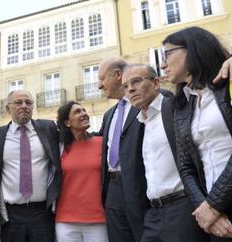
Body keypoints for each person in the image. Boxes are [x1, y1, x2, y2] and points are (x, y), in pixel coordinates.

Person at [121, 63, 209, 242]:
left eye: (136, 81)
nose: (130, 89)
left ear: (156, 83)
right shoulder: (140, 122)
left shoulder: (177, 109)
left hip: (183, 207)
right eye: (125, 86)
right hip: (153, 214)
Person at [161, 26, 232, 240]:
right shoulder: (181, 105)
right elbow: (185, 166)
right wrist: (205, 209)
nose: (162, 64)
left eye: (167, 54)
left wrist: (213, 204)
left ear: (192, 49)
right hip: (216, 216)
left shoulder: (228, 84)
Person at [0, 89, 61, 242]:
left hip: (43, 212)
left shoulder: (48, 128)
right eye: (18, 102)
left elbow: (71, 139)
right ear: (7, 108)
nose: (24, 106)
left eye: (28, 102)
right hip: (11, 215)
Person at [97, 57, 149, 242]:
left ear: (118, 75)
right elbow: (100, 142)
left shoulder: (148, 103)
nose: (100, 86)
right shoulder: (109, 115)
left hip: (141, 188)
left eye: (102, 79)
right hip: (113, 190)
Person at [55, 101, 108, 242]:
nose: (84, 114)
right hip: (65, 220)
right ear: (67, 122)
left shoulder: (102, 143)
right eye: (77, 112)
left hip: (98, 218)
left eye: (84, 110)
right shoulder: (59, 148)